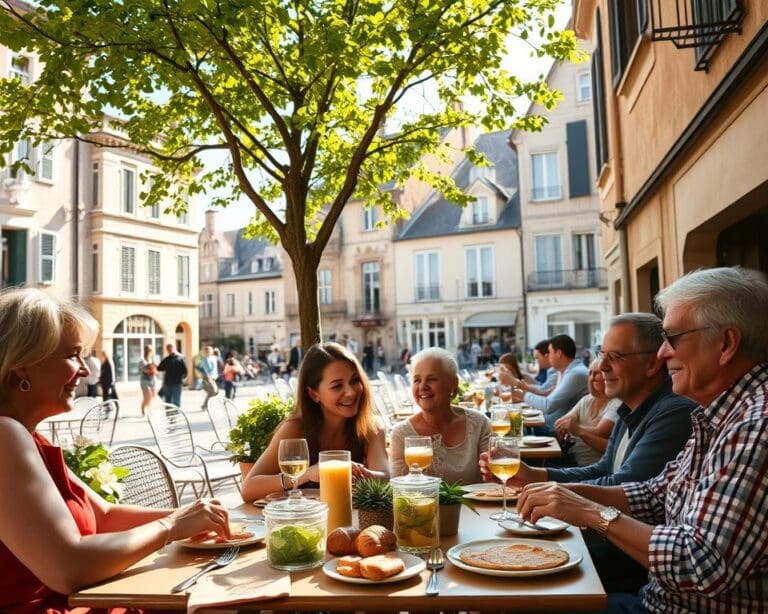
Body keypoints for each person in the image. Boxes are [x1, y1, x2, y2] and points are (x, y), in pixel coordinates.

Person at [517, 269, 768, 613]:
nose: (663, 354)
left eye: (673, 338)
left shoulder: (756, 424)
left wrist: (590, 512)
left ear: (725, 343)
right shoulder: (720, 414)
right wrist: (552, 489)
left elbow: (700, 563)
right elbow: (653, 493)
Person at [0, 287, 231, 613]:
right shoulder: (5, 435)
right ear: (23, 365)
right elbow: (69, 567)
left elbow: (105, 517)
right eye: (72, 355)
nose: (84, 369)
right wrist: (171, 528)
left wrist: (198, 516)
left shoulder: (28, 436)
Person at [241, 342, 388, 502]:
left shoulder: (371, 427)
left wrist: (359, 473)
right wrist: (307, 474)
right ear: (314, 394)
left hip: (354, 522)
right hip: (306, 523)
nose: (351, 392)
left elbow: (385, 477)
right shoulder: (295, 429)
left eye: (354, 380)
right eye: (337, 386)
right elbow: (249, 488)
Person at [390, 347, 491, 484]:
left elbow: (494, 481)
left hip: (477, 506)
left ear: (453, 384)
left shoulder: (479, 424)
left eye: (432, 379)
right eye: (417, 380)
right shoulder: (401, 433)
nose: (422, 386)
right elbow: (399, 489)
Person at [511, 334, 588, 432]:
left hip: (558, 432)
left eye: (550, 352)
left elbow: (548, 405)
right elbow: (546, 395)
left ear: (559, 353)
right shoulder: (565, 371)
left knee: (514, 429)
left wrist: (523, 394)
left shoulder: (576, 374)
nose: (548, 356)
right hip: (551, 426)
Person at [554, 359, 622, 467]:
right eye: (590, 373)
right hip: (570, 458)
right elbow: (567, 419)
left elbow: (601, 431)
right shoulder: (587, 400)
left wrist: (576, 429)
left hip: (589, 465)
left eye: (596, 373)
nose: (592, 377)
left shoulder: (617, 403)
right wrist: (565, 424)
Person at [157, 343, 187, 408]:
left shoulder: (180, 358)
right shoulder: (166, 359)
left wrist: (182, 378)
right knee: (168, 401)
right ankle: (169, 416)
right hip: (168, 383)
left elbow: (185, 370)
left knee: (176, 401)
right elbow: (159, 368)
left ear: (174, 348)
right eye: (168, 349)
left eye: (171, 348)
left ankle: (175, 415)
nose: (170, 350)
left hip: (177, 383)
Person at [138, 344, 157, 416]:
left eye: (151, 350)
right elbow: (144, 370)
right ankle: (144, 408)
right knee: (147, 396)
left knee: (153, 395)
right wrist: (151, 370)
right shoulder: (142, 361)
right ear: (146, 351)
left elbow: (155, 370)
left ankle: (149, 408)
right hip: (145, 380)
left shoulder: (152, 360)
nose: (151, 351)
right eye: (150, 350)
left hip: (153, 380)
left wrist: (154, 370)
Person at [198, 345, 219, 410]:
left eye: (209, 350)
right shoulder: (205, 359)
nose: (207, 352)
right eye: (206, 350)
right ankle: (206, 405)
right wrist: (207, 377)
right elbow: (203, 368)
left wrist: (217, 351)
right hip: (208, 378)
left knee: (213, 392)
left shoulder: (213, 357)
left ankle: (205, 405)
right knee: (214, 391)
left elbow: (218, 357)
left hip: (213, 377)